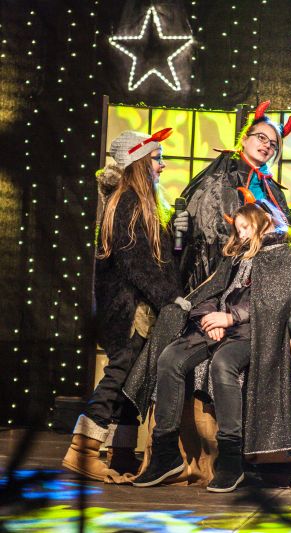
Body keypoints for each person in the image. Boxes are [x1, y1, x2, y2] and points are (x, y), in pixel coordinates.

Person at [133, 202, 291, 492]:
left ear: (263, 221)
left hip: (255, 333)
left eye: (246, 227)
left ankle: (231, 460)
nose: (241, 233)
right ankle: (165, 452)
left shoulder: (289, 253)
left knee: (223, 363)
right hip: (217, 328)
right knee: (170, 358)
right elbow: (213, 289)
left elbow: (276, 303)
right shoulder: (237, 256)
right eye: (238, 228)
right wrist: (212, 317)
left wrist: (231, 317)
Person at [63, 129, 184, 481]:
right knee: (119, 375)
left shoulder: (138, 200)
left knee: (133, 378)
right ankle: (82, 450)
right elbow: (137, 262)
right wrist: (171, 298)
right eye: (157, 158)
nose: (162, 165)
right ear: (139, 162)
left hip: (137, 306)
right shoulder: (128, 201)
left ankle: (121, 453)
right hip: (130, 309)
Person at [177, 101, 291, 291]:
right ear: (245, 139)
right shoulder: (219, 176)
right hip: (225, 269)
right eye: (261, 137)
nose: (266, 145)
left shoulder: (272, 188)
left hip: (261, 275)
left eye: (273, 145)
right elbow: (207, 229)